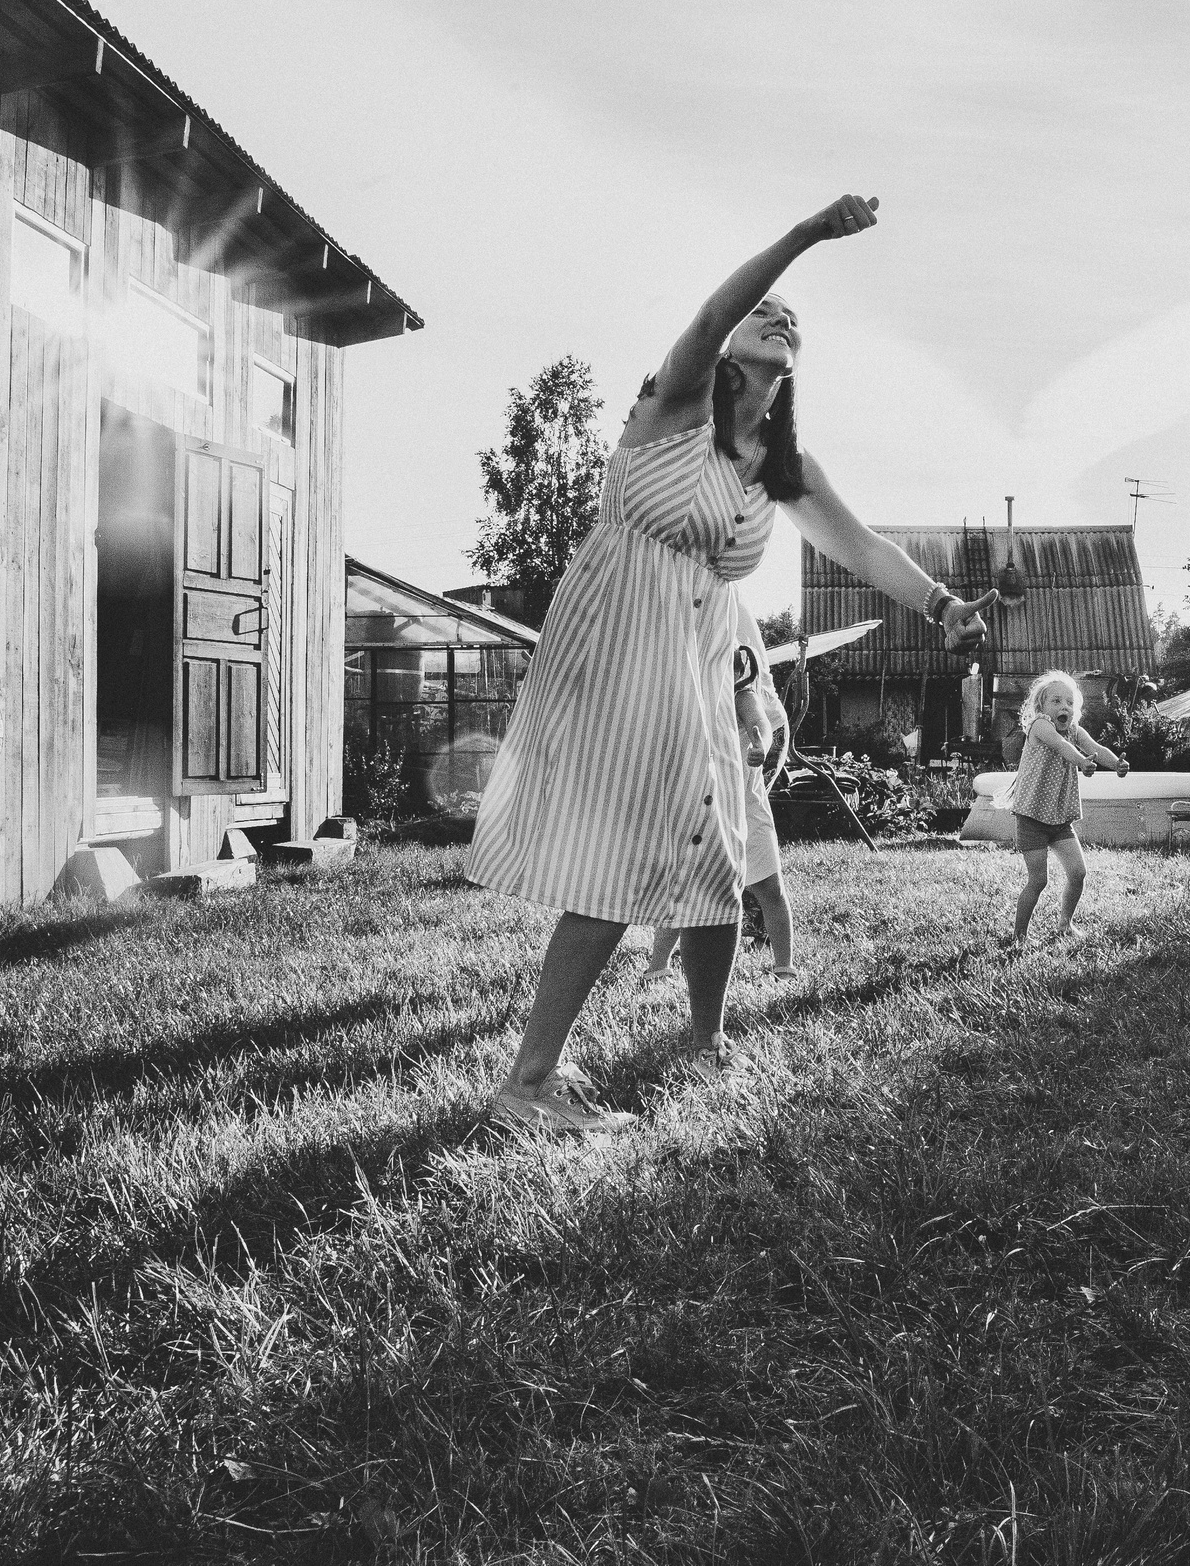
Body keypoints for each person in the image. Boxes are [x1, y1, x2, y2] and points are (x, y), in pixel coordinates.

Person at [468, 195, 997, 1135]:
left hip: (699, 654)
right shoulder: (673, 404)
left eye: (793, 319)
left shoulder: (778, 463)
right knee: (621, 854)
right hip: (624, 637)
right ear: (729, 354)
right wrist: (803, 238)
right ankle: (529, 1081)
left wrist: (944, 605)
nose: (779, 314)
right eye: (766, 311)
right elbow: (716, 315)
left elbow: (863, 547)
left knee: (716, 846)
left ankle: (704, 1041)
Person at [642, 628, 798, 985]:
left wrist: (760, 742)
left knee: (770, 889)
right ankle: (658, 965)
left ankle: (784, 964)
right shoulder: (687, 699)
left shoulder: (741, 696)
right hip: (702, 812)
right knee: (683, 893)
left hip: (746, 810)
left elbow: (759, 723)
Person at [1003, 670, 1128, 944]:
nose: (1064, 707)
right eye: (1056, 701)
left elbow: (1096, 747)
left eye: (1070, 703)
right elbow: (1061, 747)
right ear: (1041, 706)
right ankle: (1019, 936)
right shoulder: (1040, 726)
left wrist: (1116, 763)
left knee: (1078, 873)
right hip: (1033, 816)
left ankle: (1065, 924)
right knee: (1038, 881)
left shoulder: (1074, 730)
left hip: (1059, 818)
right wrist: (1082, 762)